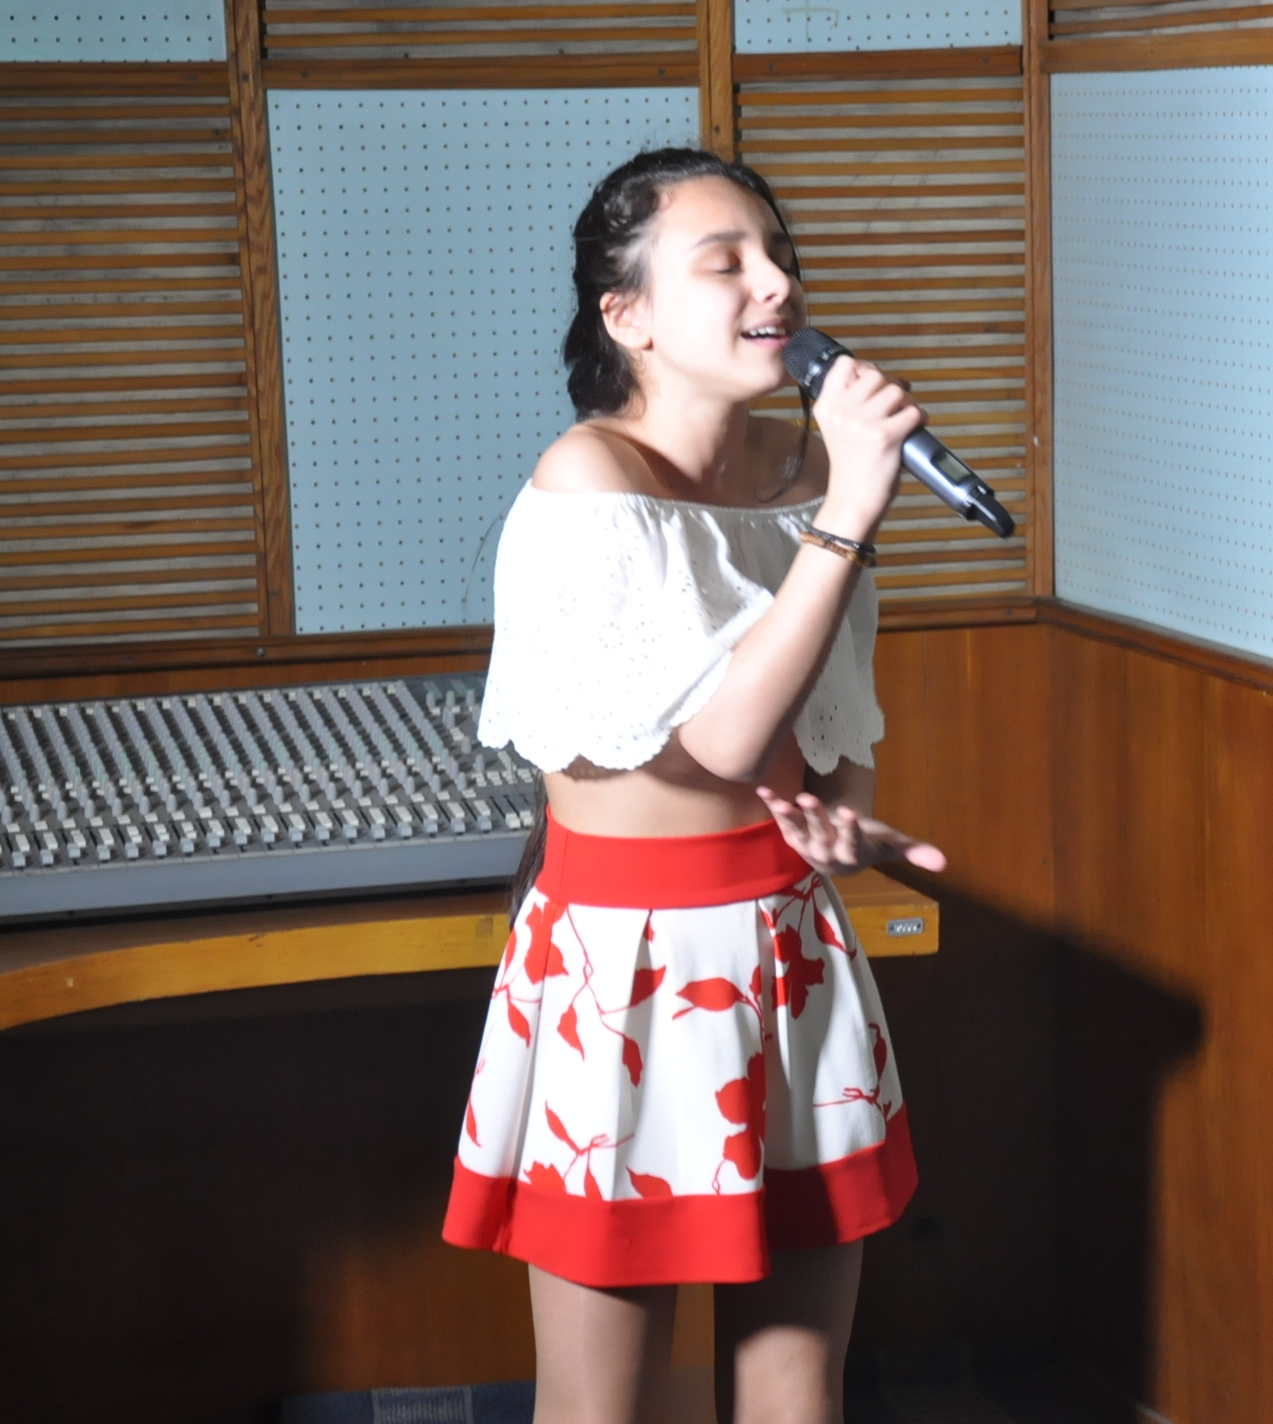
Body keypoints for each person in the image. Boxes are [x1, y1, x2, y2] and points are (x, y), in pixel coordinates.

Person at [440, 148, 948, 1424]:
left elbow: (824, 725)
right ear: (629, 316)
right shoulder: (587, 483)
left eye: (779, 256)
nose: (775, 283)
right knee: (599, 1403)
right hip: (626, 967)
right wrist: (849, 513)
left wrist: (841, 818)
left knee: (797, 1386)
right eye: (726, 262)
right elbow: (717, 740)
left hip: (787, 943)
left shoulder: (809, 473)